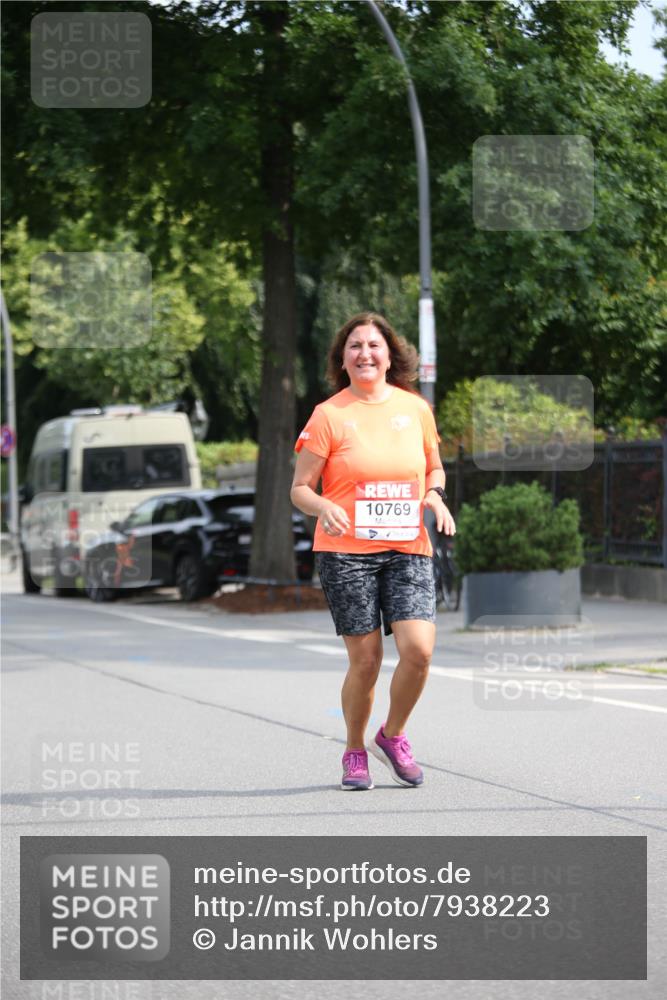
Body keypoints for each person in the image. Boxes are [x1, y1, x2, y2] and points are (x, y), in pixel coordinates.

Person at [290, 312, 456, 791]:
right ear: (342, 360)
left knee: (419, 651)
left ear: (389, 355)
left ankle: (393, 734)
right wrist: (322, 505)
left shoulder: (415, 409)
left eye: (373, 345)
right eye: (355, 346)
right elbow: (299, 487)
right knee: (365, 662)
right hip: (346, 553)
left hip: (408, 547)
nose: (365, 353)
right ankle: (355, 749)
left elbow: (434, 468)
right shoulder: (329, 415)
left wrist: (434, 495)